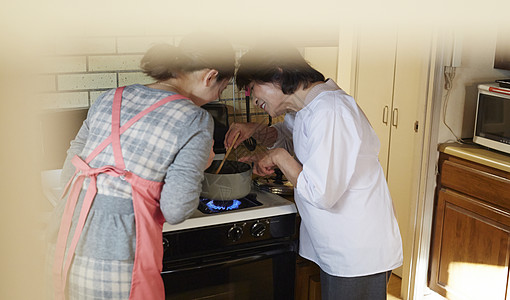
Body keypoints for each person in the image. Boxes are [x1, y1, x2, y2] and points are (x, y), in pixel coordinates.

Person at [46, 32, 235, 300]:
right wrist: (199, 166)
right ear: (210, 75)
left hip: (67, 244)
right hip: (118, 259)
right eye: (222, 87)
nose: (217, 95)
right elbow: (176, 209)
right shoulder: (194, 119)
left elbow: (71, 170)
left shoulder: (110, 97)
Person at [225, 44, 402, 299]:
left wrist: (277, 156)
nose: (253, 101)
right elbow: (291, 136)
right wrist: (257, 130)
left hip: (356, 250)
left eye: (253, 90)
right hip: (340, 245)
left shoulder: (330, 109)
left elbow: (321, 192)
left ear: (278, 74)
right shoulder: (310, 106)